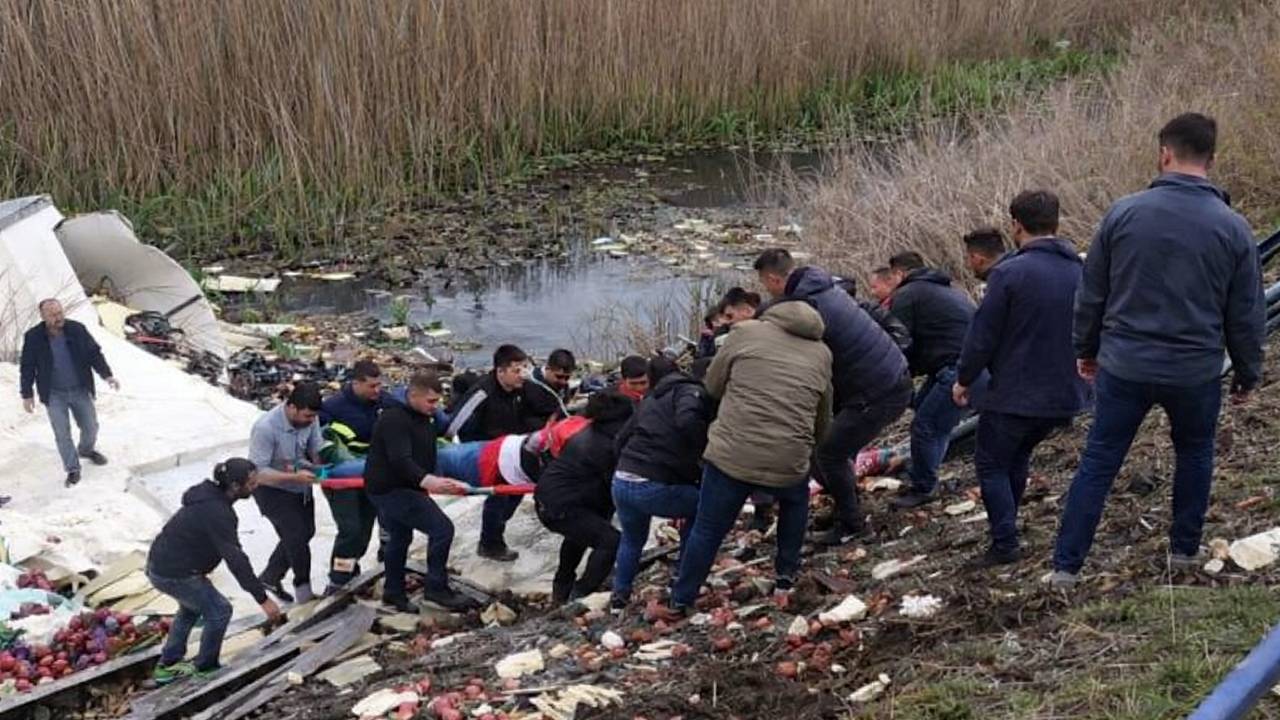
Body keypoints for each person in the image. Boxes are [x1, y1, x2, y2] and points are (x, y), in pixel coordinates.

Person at [1051, 113, 1265, 588]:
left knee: (1100, 458)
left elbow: (1091, 294)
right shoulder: (1232, 228)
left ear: (1164, 154)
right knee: (1194, 453)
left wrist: (1085, 348)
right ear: (1211, 159)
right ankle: (1184, 550)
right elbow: (1245, 312)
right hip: (1194, 370)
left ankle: (1067, 565)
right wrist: (1248, 373)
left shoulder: (1123, 213)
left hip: (1125, 363)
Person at [952, 191, 1091, 566]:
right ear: (1056, 222)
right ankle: (1007, 525)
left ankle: (1004, 542)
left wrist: (964, 379)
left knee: (991, 463)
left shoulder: (1009, 274)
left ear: (1016, 225)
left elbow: (983, 334)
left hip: (1019, 391)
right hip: (1067, 391)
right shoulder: (1079, 269)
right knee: (1016, 456)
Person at [668, 301, 832, 613]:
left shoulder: (744, 333)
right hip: (789, 458)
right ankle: (785, 576)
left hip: (732, 455)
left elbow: (712, 387)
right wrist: (810, 450)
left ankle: (681, 598)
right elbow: (823, 417)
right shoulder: (823, 353)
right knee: (795, 503)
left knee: (707, 527)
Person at [755, 248, 911, 545]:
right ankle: (846, 507)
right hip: (888, 375)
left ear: (774, 279)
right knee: (824, 449)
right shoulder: (825, 286)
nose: (767, 291)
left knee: (829, 452)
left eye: (765, 284)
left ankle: (853, 525)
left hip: (878, 389)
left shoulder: (806, 308)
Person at [145, 458, 282, 685]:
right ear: (235, 487)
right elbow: (236, 559)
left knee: (190, 609)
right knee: (220, 611)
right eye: (251, 483)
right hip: (174, 572)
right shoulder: (218, 512)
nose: (256, 486)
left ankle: (168, 665)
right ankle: (206, 668)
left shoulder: (208, 498)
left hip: (163, 565)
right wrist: (263, 599)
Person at [365, 372, 477, 612]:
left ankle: (393, 592)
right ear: (413, 395)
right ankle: (436, 589)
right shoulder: (394, 419)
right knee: (442, 529)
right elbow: (400, 459)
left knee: (400, 537)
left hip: (400, 485)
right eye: (431, 402)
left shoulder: (424, 416)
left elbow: (426, 449)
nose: (435, 407)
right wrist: (428, 481)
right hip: (393, 488)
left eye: (437, 402)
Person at [610, 357, 710, 609]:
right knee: (704, 509)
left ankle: (619, 596)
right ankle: (682, 577)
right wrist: (701, 452)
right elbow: (688, 422)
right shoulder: (688, 391)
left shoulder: (649, 401)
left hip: (622, 479)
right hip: (652, 483)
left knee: (632, 539)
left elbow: (620, 440)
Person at [886, 251, 978, 508]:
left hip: (958, 368)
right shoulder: (944, 290)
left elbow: (899, 341)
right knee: (928, 411)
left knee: (926, 426)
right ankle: (921, 471)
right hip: (967, 364)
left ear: (899, 274)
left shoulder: (906, 294)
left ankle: (924, 487)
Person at [535, 391, 634, 604]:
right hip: (562, 504)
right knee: (611, 541)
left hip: (552, 498)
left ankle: (562, 588)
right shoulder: (607, 445)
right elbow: (617, 486)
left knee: (579, 536)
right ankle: (581, 595)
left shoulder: (593, 432)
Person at [446, 344, 542, 562]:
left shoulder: (521, 390)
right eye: (516, 371)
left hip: (511, 450)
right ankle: (490, 543)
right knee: (499, 496)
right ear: (500, 371)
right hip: (486, 452)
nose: (522, 375)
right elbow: (455, 425)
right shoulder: (482, 393)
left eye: (524, 369)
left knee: (515, 492)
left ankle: (495, 530)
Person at [19, 299, 119, 487]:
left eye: (60, 313)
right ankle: (72, 468)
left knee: (90, 426)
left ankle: (86, 450)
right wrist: (27, 393)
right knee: (62, 433)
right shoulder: (33, 337)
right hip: (54, 393)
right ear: (43, 317)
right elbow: (27, 366)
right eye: (53, 315)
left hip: (79, 388)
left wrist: (107, 375)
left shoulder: (77, 329)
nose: (58, 318)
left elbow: (94, 353)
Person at [249, 382, 323, 604]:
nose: (310, 421)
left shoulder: (311, 419)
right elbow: (258, 472)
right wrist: (293, 477)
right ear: (291, 407)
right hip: (271, 489)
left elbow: (315, 447)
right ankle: (304, 592)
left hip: (300, 485)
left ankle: (270, 577)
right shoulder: (266, 428)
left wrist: (322, 467)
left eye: (313, 417)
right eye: (306, 416)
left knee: (306, 531)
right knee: (296, 538)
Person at [318, 360, 388, 593]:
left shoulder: (383, 402)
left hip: (372, 476)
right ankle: (338, 579)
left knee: (365, 528)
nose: (377, 391)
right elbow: (322, 445)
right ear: (356, 383)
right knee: (351, 529)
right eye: (372, 386)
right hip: (342, 481)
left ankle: (352, 568)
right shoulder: (332, 408)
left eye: (379, 385)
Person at [526, 349, 577, 422]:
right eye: (559, 377)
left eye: (567, 377)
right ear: (548, 368)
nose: (563, 381)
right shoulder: (531, 386)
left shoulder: (562, 385)